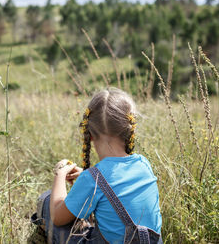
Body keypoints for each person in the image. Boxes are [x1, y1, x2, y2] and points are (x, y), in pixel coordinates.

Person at [31, 88, 162, 244]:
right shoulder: (143, 163)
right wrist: (89, 179)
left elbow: (58, 218)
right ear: (129, 129)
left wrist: (59, 174)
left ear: (90, 134)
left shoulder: (92, 179)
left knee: (47, 199)